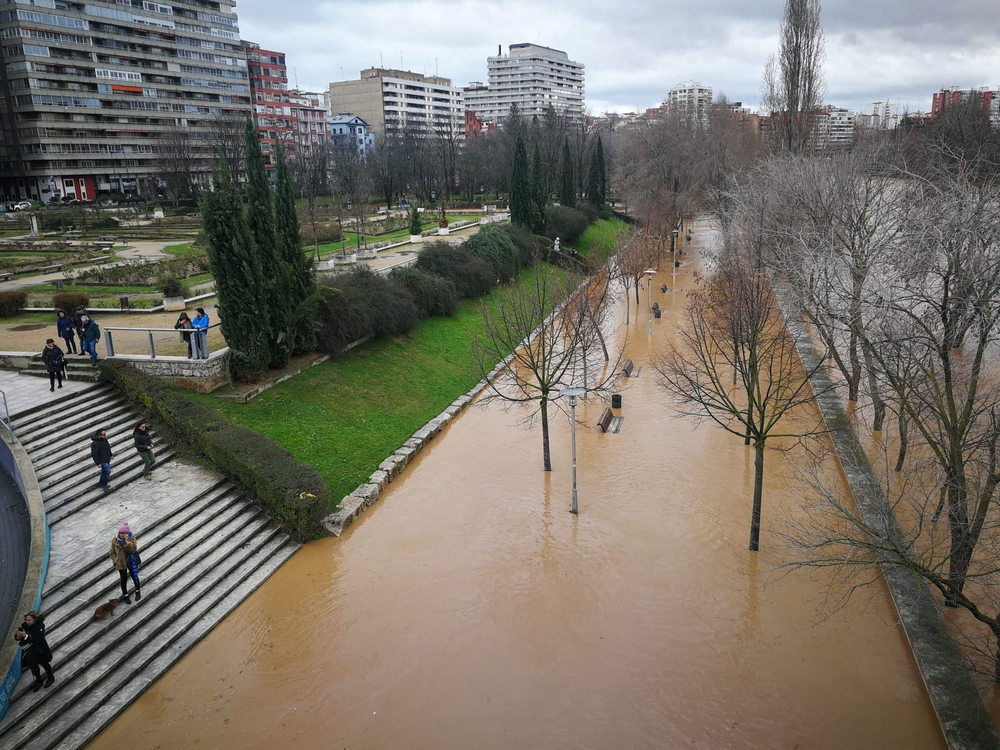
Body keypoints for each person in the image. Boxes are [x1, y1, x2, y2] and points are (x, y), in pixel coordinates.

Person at [14, 610, 54, 691]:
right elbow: (18, 638)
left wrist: (26, 636)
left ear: (34, 620)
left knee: (44, 664)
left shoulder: (40, 626)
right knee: (34, 666)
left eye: (29, 620)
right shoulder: (24, 625)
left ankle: (50, 677)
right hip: (30, 651)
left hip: (40, 649)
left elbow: (38, 638)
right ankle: (39, 681)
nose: (27, 622)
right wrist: (18, 636)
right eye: (26, 620)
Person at [110, 523, 141, 603]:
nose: (122, 535)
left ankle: (137, 591)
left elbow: (133, 550)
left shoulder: (131, 538)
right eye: (121, 533)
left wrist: (127, 542)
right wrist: (115, 560)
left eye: (124, 533)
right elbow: (112, 551)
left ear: (127, 533)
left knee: (134, 576)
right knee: (123, 579)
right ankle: (125, 595)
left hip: (131, 560)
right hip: (121, 562)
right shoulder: (115, 540)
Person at [91, 428, 112, 492]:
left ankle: (101, 483)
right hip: (101, 460)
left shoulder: (105, 440)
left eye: (104, 434)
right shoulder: (95, 443)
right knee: (108, 471)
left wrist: (110, 455)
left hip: (107, 458)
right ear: (98, 435)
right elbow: (94, 454)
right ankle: (104, 484)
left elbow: (108, 447)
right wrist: (97, 463)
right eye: (101, 434)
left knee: (104, 471)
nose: (103, 436)